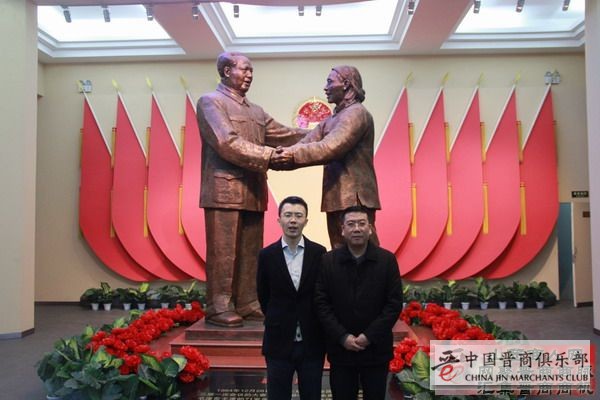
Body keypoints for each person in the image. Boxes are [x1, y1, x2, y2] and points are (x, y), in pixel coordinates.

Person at [196, 52, 303, 327]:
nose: (250, 75)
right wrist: (269, 156)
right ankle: (219, 306)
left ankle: (247, 301)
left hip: (253, 190)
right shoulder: (211, 102)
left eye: (252, 70)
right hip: (224, 190)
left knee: (250, 251)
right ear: (226, 71)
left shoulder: (256, 111)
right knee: (224, 252)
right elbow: (226, 142)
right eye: (244, 69)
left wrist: (325, 131)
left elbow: (285, 134)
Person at [272, 65, 381, 248]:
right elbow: (306, 142)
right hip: (337, 196)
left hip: (355, 197)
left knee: (365, 253)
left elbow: (330, 148)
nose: (325, 87)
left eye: (330, 82)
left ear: (346, 84)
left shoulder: (356, 113)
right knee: (339, 253)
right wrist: (275, 157)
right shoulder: (332, 119)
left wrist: (288, 155)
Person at [314, 205, 403, 400]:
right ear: (342, 230)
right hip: (341, 350)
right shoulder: (328, 261)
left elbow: (394, 304)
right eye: (351, 224)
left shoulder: (386, 260)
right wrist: (342, 336)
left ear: (370, 229)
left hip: (376, 350)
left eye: (362, 224)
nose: (356, 229)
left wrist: (368, 336)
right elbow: (321, 304)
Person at [257, 196, 327, 400]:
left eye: (298, 215)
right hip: (278, 340)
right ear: (279, 219)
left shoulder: (319, 253)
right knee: (277, 395)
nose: (293, 220)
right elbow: (263, 294)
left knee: (312, 395)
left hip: (312, 341)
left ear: (306, 220)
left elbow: (323, 293)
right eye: (288, 215)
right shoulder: (266, 255)